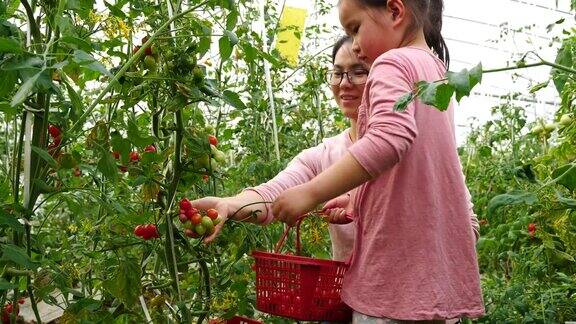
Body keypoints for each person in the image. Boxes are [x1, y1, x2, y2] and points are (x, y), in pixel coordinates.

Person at [271, 0, 485, 322]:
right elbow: (412, 174)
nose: (355, 46)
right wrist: (358, 199)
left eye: (355, 29)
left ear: (395, 11)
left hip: (392, 286)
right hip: (432, 284)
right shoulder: (436, 73)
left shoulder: (392, 63)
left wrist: (310, 193)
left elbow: (388, 139)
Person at [190, 35, 369, 261]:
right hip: (348, 294)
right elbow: (273, 194)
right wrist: (228, 205)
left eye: (359, 71)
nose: (344, 83)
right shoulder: (324, 155)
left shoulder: (406, 144)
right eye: (337, 73)